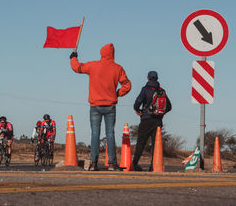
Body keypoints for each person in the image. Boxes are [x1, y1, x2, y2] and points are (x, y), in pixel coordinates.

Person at [70, 43, 131, 171]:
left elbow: (77, 68)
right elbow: (127, 85)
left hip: (95, 105)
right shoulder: (118, 68)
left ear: (102, 53)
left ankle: (93, 163)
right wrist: (117, 94)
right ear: (113, 54)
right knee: (110, 133)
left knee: (95, 134)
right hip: (110, 106)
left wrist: (73, 57)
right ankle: (112, 164)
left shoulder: (93, 66)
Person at [132, 71, 172, 171]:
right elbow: (169, 106)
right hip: (158, 121)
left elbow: (138, 102)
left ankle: (134, 164)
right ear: (157, 78)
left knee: (141, 142)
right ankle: (153, 166)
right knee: (156, 145)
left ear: (148, 78)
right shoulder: (162, 91)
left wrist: (138, 110)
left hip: (146, 119)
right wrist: (160, 113)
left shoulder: (145, 89)